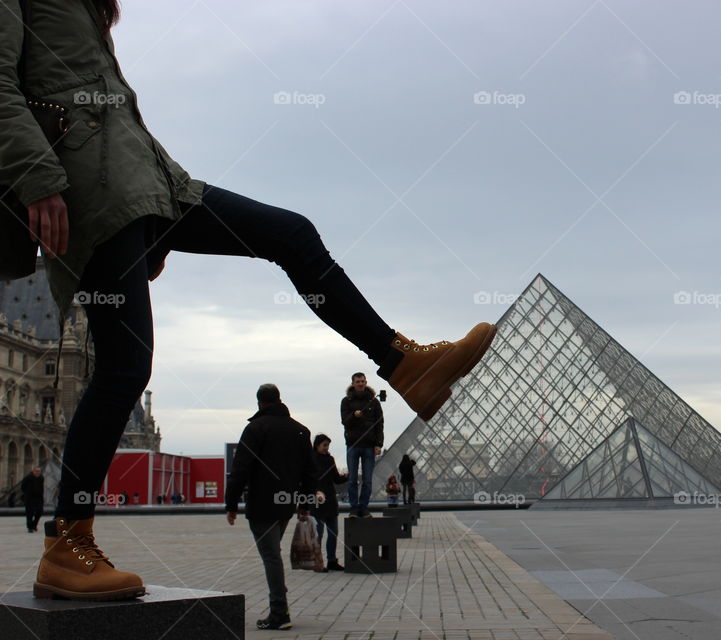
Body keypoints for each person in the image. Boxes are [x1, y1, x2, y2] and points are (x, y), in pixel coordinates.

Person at [9, 1, 497, 602]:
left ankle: (404, 364)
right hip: (83, 187)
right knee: (124, 366)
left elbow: (114, 116)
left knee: (290, 233)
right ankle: (67, 543)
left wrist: (158, 213)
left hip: (146, 184)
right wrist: (37, 177)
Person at [225, 384, 321, 631]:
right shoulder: (300, 431)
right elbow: (310, 472)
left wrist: (231, 504)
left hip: (260, 502)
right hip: (285, 502)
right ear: (279, 399)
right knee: (273, 553)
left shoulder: (255, 428)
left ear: (260, 403)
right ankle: (279, 609)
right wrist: (305, 504)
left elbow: (240, 469)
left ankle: (279, 612)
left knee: (271, 556)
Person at [341, 373, 384, 518]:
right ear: (353, 383)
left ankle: (363, 507)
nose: (360, 384)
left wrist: (379, 444)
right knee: (352, 479)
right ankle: (354, 508)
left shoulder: (374, 402)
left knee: (367, 480)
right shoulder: (346, 402)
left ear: (366, 382)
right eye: (358, 381)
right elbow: (344, 421)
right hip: (353, 444)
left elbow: (379, 424)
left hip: (369, 445)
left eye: (363, 381)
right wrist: (354, 415)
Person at [311, 434, 348, 572]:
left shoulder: (330, 459)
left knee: (333, 533)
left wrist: (346, 477)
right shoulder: (311, 459)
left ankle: (332, 560)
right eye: (324, 445)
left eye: (328, 445)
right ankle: (317, 562)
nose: (327, 448)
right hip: (317, 499)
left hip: (330, 499)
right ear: (317, 445)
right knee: (319, 533)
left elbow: (336, 479)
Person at [21, 467, 43, 532]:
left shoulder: (41, 478)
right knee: (29, 514)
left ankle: (34, 525)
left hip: (38, 498)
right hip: (29, 499)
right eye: (36, 471)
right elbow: (22, 487)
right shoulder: (27, 478)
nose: (37, 472)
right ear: (33, 471)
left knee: (39, 512)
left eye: (39, 471)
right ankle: (30, 527)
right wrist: (27, 493)